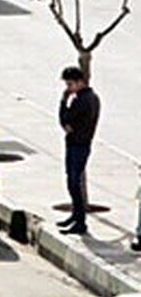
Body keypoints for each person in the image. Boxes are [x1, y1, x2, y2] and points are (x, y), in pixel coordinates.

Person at [57, 66, 100, 235]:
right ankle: (76, 215)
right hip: (79, 143)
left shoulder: (82, 100)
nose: (68, 88)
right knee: (71, 180)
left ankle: (80, 221)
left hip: (78, 144)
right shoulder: (90, 98)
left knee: (73, 182)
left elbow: (65, 119)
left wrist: (63, 102)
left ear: (79, 82)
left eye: (70, 84)